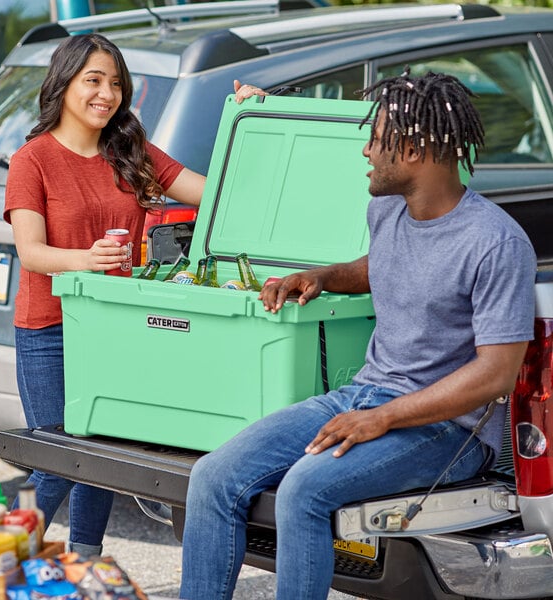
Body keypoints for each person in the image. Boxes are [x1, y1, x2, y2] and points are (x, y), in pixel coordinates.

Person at [179, 70, 537, 599]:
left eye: (377, 140)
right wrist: (323, 277)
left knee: (303, 489)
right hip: (364, 396)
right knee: (212, 477)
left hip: (450, 430)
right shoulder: (387, 209)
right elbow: (382, 264)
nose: (365, 151)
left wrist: (382, 418)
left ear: (414, 151)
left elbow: (495, 375)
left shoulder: (498, 243)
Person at [3, 33, 262, 556]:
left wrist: (246, 122)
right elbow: (30, 252)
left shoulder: (129, 151)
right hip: (49, 329)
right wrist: (85, 259)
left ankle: (88, 564)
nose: (107, 94)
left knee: (103, 455)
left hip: (114, 328)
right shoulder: (31, 160)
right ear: (65, 82)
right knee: (58, 459)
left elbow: (215, 192)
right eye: (93, 81)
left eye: (116, 83)